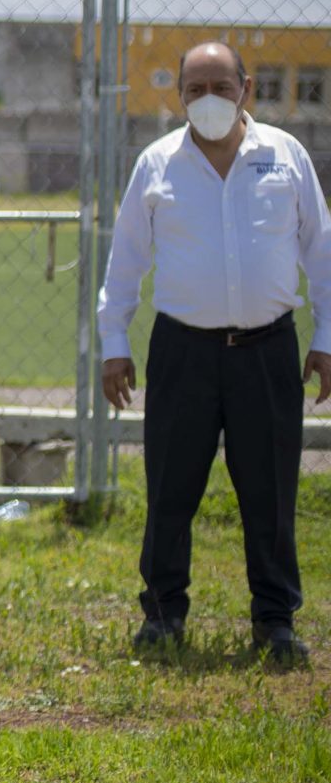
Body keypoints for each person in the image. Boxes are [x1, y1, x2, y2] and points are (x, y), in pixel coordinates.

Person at [97, 41, 328, 668]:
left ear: (246, 89)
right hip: (183, 351)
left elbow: (321, 252)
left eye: (220, 87)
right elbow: (124, 267)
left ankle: (275, 622)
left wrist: (326, 338)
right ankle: (164, 613)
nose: (208, 101)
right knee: (171, 487)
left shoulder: (286, 156)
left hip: (268, 349)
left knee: (271, 491)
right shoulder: (157, 164)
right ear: (179, 96)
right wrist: (114, 345)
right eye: (194, 89)